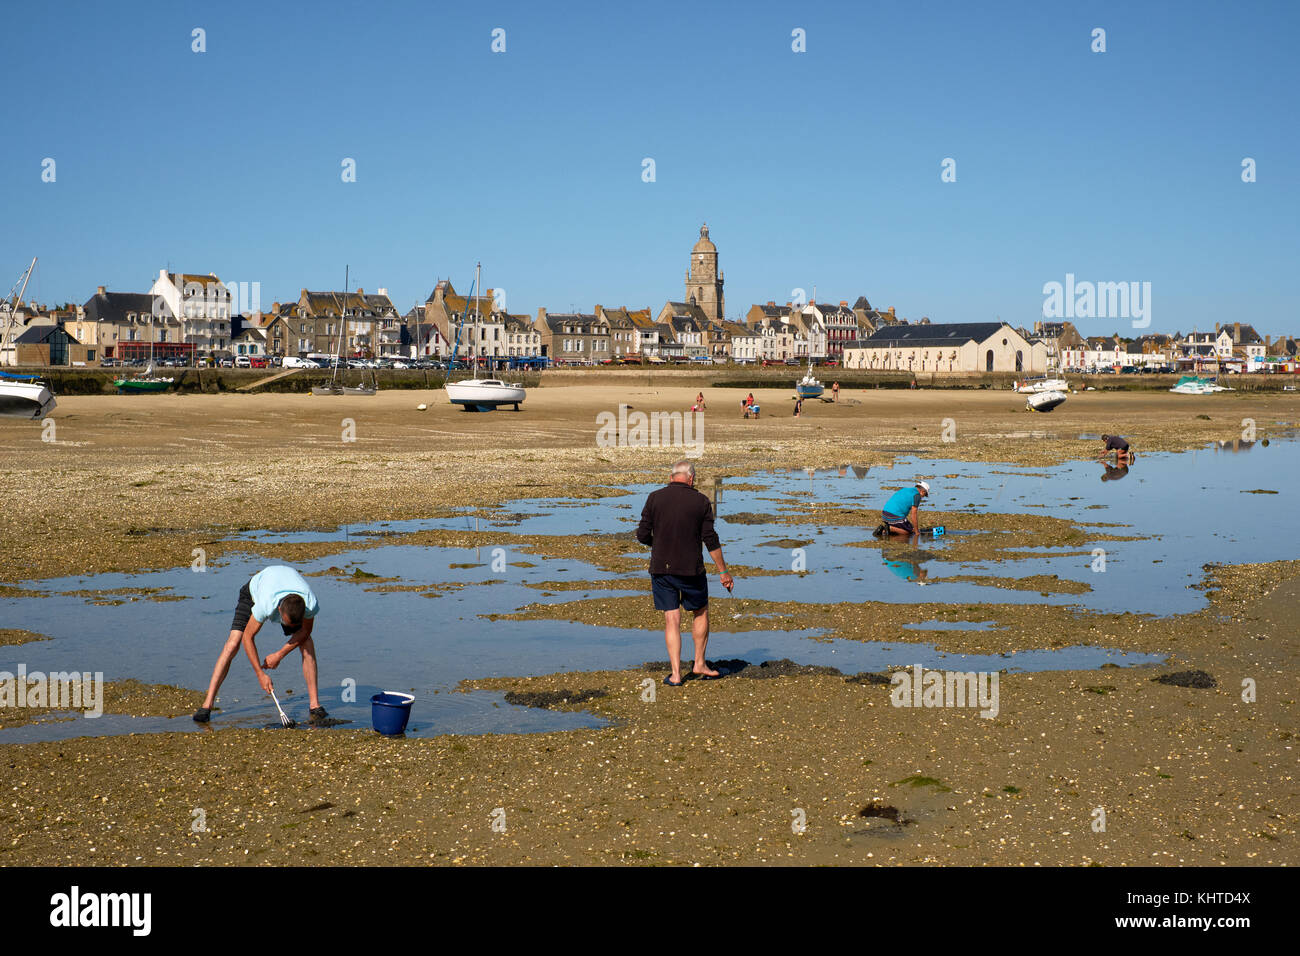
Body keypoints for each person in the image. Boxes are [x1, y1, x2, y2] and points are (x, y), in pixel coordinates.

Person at [636, 460, 734, 685]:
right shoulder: (700, 501)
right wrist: (724, 572)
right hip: (691, 568)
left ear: (671, 477)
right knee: (700, 611)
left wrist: (660, 544)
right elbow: (710, 539)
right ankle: (699, 663)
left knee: (672, 619)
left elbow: (642, 535)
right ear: (691, 479)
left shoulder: (654, 497)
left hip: (662, 567)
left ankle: (676, 674)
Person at [194, 565, 327, 723]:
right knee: (233, 643)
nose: (289, 628)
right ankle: (206, 705)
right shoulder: (265, 604)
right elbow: (248, 637)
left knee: (306, 643)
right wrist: (260, 674)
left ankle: (315, 705)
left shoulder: (310, 603)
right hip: (252, 592)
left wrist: (279, 654)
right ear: (279, 611)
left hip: (289, 593)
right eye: (286, 623)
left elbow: (305, 632)